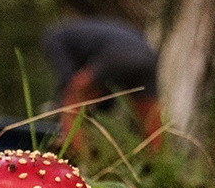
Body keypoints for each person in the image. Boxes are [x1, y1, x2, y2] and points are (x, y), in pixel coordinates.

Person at [41, 16, 164, 151]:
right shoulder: (91, 34)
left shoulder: (54, 38)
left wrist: (61, 106)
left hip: (117, 55)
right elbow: (106, 94)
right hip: (148, 57)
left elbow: (68, 79)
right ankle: (157, 157)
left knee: (72, 101)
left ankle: (78, 155)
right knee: (150, 119)